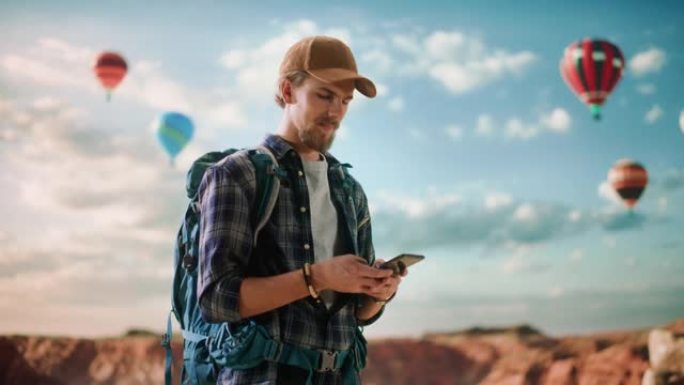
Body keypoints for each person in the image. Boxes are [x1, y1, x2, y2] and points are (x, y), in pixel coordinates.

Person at [197, 35, 407, 385]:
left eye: (345, 100)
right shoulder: (238, 174)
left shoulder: (349, 189)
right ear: (288, 90)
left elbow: (358, 313)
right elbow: (216, 299)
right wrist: (318, 277)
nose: (336, 111)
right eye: (325, 95)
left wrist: (380, 292)